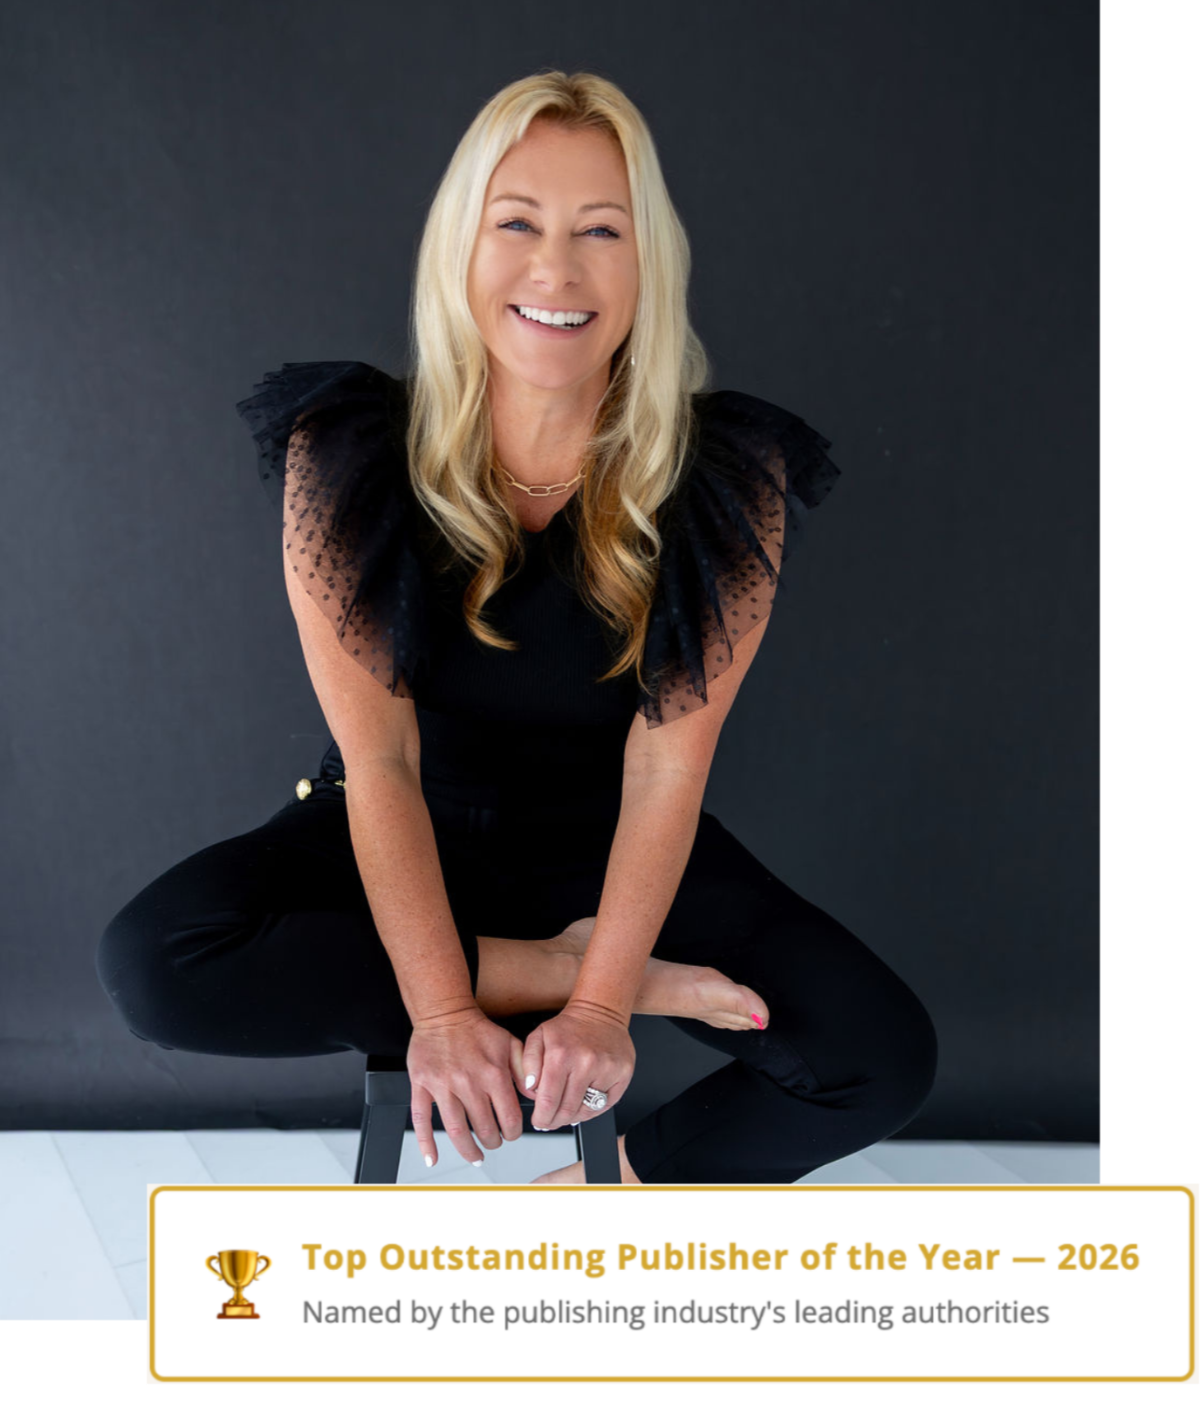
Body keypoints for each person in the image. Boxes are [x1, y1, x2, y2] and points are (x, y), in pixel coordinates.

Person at [95, 70, 937, 1184]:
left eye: (602, 230)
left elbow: (668, 768)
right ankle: (545, 965)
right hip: (402, 815)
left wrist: (603, 1010)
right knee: (155, 963)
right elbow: (382, 761)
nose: (557, 269)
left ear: (649, 264)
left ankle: (585, 1208)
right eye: (518, 224)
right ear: (462, 247)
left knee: (880, 1053)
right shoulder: (344, 450)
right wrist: (450, 1010)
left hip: (609, 835)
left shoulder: (729, 474)